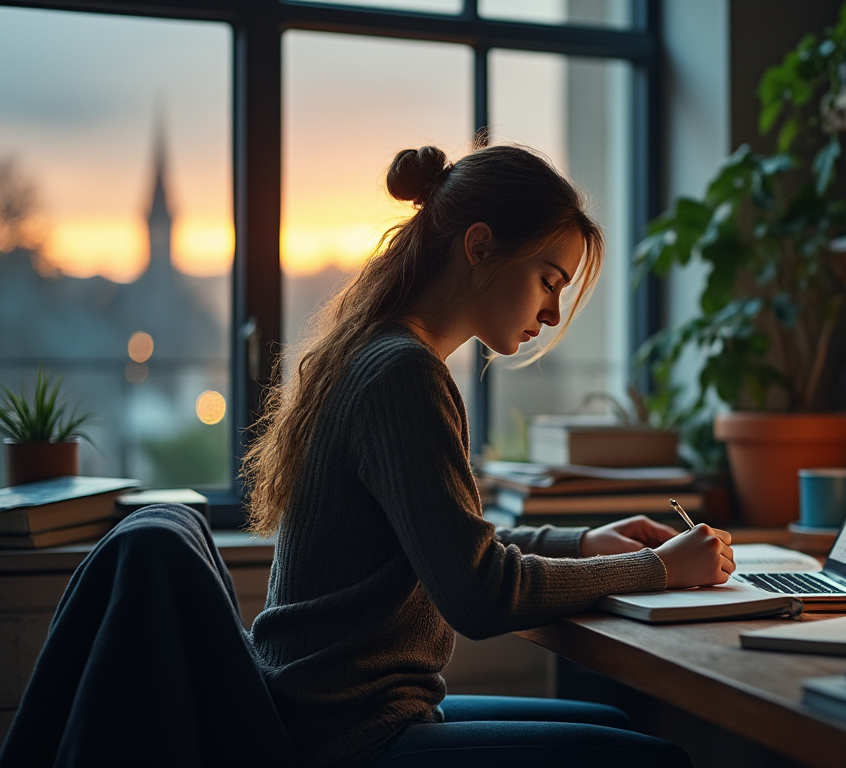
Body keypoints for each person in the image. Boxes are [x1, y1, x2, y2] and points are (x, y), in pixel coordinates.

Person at [242, 143, 735, 767]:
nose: (553, 314)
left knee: (615, 719)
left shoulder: (379, 352)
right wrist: (659, 569)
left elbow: (451, 544)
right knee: (653, 758)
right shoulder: (403, 374)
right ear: (479, 247)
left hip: (333, 713)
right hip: (349, 736)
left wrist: (581, 544)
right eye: (548, 281)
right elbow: (478, 594)